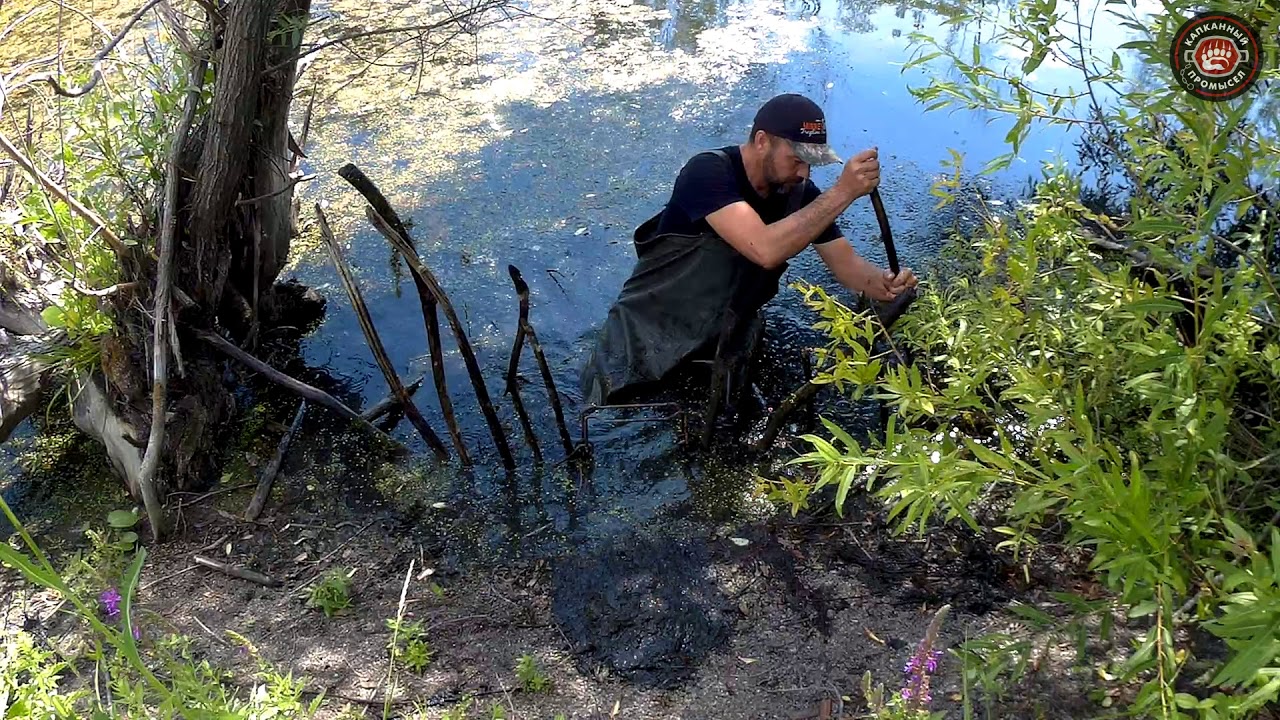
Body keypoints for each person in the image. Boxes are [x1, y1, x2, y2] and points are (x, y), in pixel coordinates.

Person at [579, 93, 918, 408]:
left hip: (723, 339)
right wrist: (843, 191)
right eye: (797, 159)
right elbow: (764, 248)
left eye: (812, 162)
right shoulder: (708, 172)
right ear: (761, 142)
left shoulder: (801, 196)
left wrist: (886, 285)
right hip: (644, 332)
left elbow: (850, 270)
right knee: (604, 415)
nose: (804, 172)